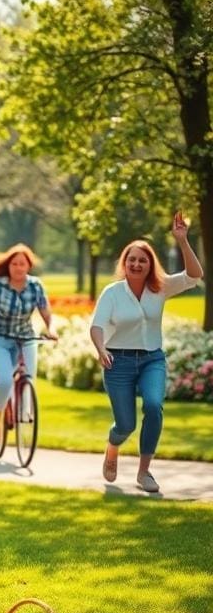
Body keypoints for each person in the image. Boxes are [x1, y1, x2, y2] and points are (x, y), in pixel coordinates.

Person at [90, 211, 204, 493]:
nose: (137, 264)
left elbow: (195, 275)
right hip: (117, 361)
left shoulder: (160, 287)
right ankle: (113, 447)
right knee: (125, 425)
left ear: (150, 264)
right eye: (132, 259)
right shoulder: (112, 293)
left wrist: (182, 240)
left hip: (152, 358)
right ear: (124, 264)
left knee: (153, 405)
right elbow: (97, 326)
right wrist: (101, 349)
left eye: (143, 260)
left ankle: (144, 473)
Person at [0, 243, 58, 446]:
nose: (18, 267)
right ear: (8, 265)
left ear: (28, 266)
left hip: (26, 338)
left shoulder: (36, 286)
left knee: (30, 377)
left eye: (22, 264)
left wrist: (51, 329)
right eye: (14, 263)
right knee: (4, 380)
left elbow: (46, 312)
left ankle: (25, 413)